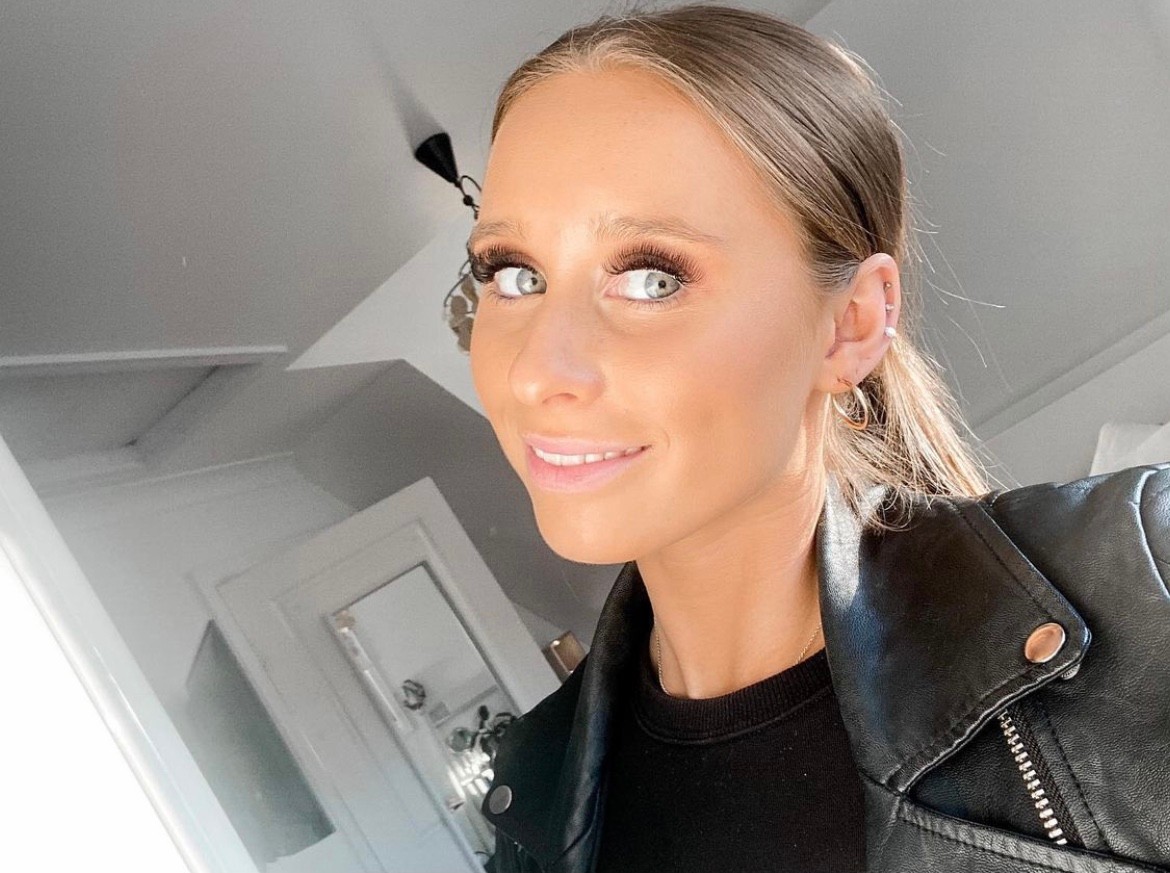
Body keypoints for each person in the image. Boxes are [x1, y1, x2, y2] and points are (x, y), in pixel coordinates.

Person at [461, 4, 1170, 872]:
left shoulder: (1143, 587)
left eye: (651, 278)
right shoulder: (531, 801)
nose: (537, 370)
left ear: (849, 324)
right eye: (513, 273)